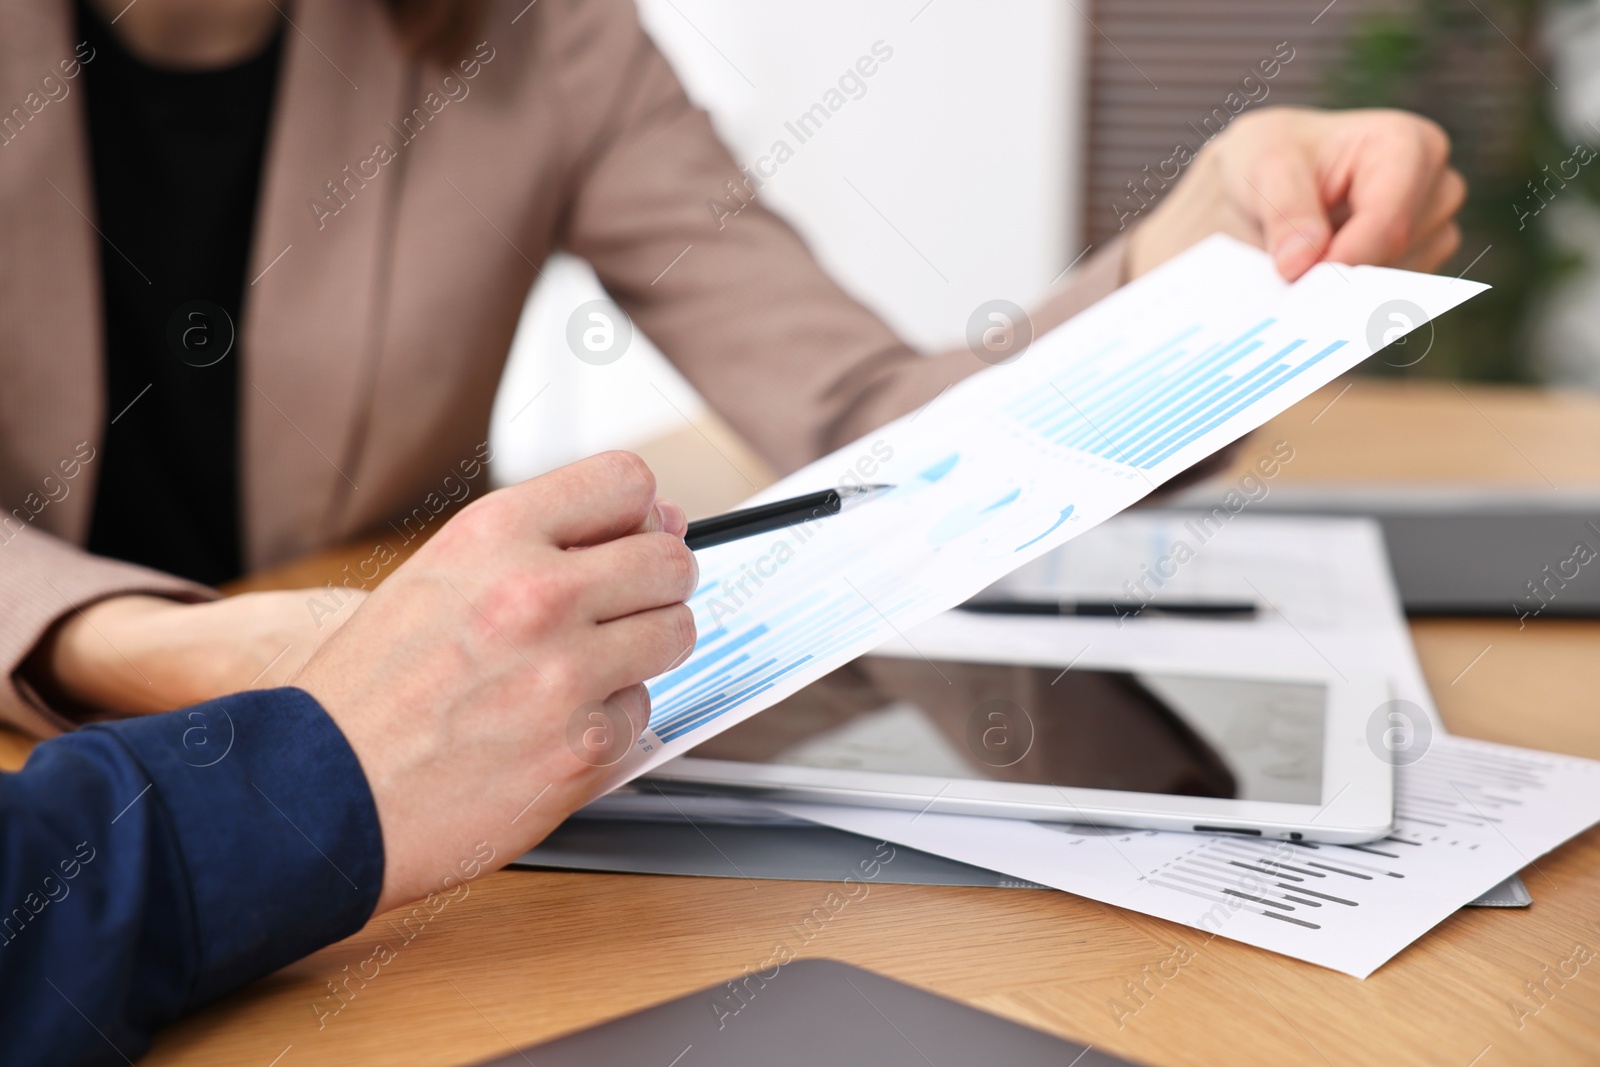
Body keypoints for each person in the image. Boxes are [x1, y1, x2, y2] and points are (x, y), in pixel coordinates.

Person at [0, 0, 1464, 1061]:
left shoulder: (537, 37)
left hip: (452, 840)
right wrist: (151, 644)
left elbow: (872, 420)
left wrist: (1182, 271)